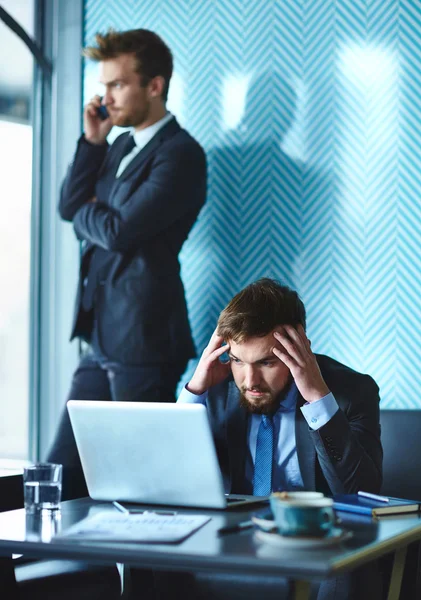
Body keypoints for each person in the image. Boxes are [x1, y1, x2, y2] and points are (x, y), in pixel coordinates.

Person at [47, 28, 207, 499]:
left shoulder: (182, 154)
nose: (105, 96)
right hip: (100, 334)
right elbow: (68, 206)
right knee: (60, 474)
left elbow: (119, 233)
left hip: (145, 338)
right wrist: (93, 142)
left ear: (154, 86)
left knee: (138, 487)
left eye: (117, 84)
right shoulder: (116, 145)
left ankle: (154, 576)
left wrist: (88, 213)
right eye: (104, 85)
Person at [170, 277, 383, 600]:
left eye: (267, 362)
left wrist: (316, 398)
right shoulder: (215, 388)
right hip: (232, 541)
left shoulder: (351, 392)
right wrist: (194, 391)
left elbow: (360, 493)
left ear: (298, 348)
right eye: (238, 361)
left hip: (312, 544)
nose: (249, 380)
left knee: (347, 573)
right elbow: (171, 481)